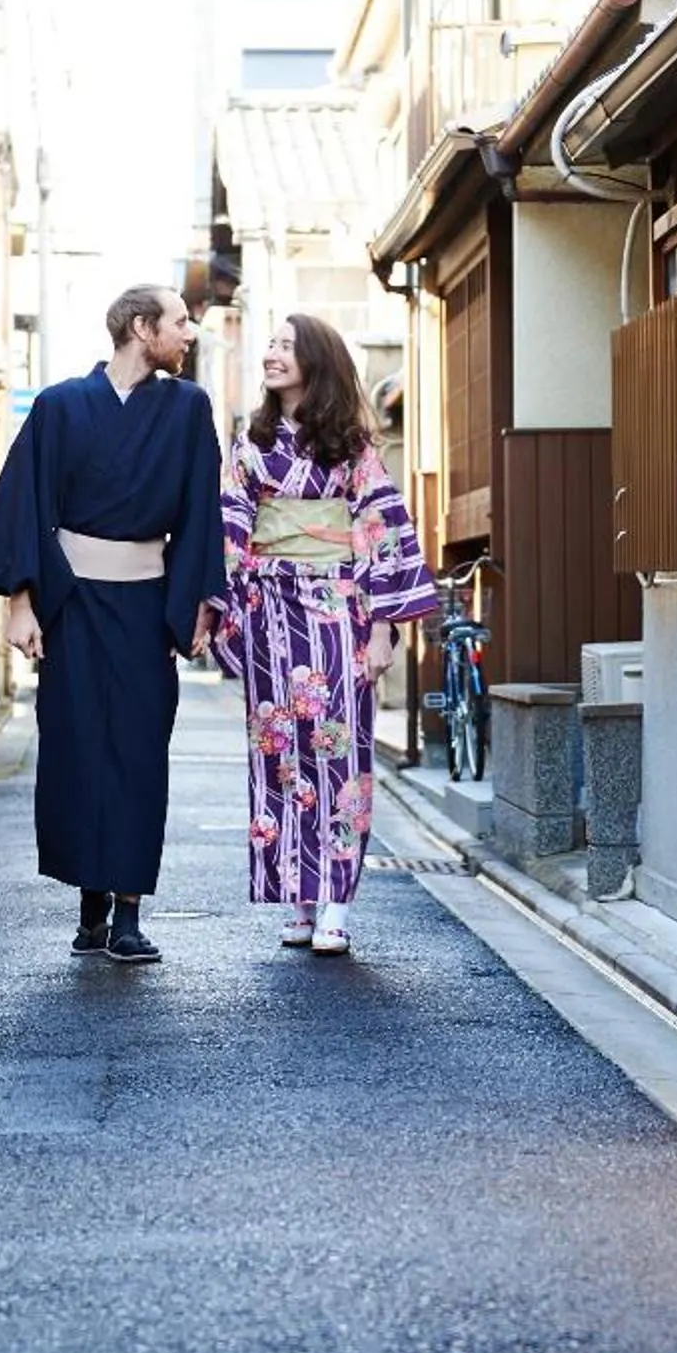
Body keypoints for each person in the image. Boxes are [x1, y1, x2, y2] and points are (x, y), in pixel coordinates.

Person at [0, 285, 228, 964]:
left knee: (139, 752)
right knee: (78, 746)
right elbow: (23, 504)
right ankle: (89, 902)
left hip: (145, 605)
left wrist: (201, 598)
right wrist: (20, 602)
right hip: (74, 604)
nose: (190, 331)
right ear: (142, 328)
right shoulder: (58, 408)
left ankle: (128, 912)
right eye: (179, 321)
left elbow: (203, 509)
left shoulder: (188, 408)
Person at [213, 313, 436, 956]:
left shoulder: (353, 447)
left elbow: (382, 533)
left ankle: (336, 900)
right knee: (278, 752)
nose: (273, 354)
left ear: (317, 360)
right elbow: (231, 525)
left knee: (338, 752)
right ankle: (298, 897)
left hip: (339, 608)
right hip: (269, 612)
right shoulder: (250, 443)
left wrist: (384, 631)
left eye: (287, 346)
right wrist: (217, 607)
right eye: (271, 345)